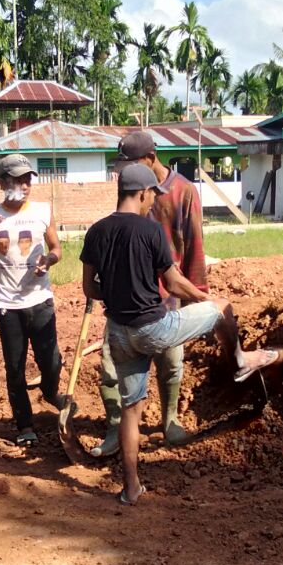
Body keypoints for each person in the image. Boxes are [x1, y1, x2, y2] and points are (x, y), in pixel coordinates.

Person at [81, 164, 283, 505]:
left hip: (118, 333)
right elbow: (173, 283)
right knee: (221, 310)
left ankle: (131, 488)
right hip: (153, 329)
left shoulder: (96, 232)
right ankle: (241, 360)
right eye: (151, 197)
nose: (152, 204)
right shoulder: (150, 232)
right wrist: (209, 300)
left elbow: (90, 287)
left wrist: (118, 293)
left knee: (131, 410)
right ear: (143, 193)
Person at [90, 131, 208, 456]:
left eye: (131, 164)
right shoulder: (131, 190)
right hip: (125, 301)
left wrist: (199, 297)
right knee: (111, 368)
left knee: (171, 363)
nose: (124, 171)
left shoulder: (183, 193)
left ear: (150, 159)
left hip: (167, 300)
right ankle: (116, 429)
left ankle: (170, 422)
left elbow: (195, 248)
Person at [0, 153, 64, 448]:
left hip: (40, 300)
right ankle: (25, 424)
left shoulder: (42, 211)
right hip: (7, 305)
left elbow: (56, 248)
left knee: (51, 362)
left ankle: (50, 393)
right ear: (3, 182)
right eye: (18, 179)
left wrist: (49, 260)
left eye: (28, 179)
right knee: (15, 367)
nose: (25, 185)